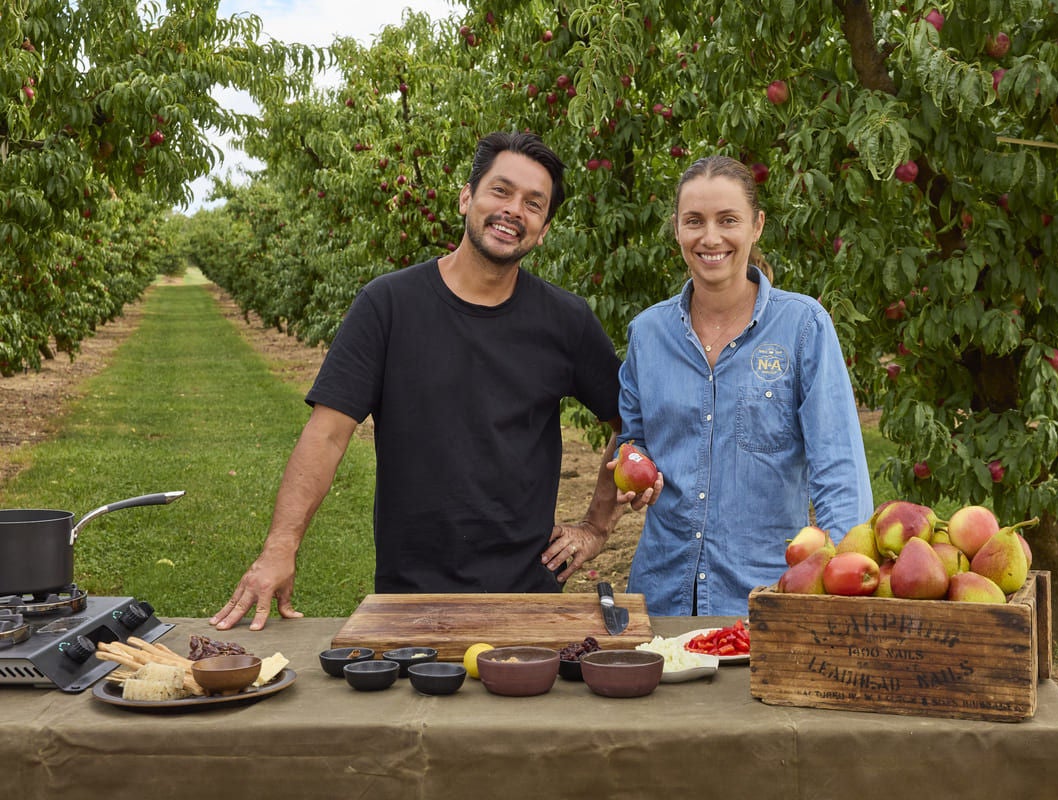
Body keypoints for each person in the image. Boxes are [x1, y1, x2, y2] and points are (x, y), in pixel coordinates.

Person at [211, 132, 651, 631]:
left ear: (544, 229)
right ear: (466, 197)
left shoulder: (565, 321)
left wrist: (595, 527)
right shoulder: (388, 306)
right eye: (500, 191)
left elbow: (630, 421)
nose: (513, 211)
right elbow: (327, 434)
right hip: (408, 597)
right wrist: (280, 548)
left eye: (534, 204)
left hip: (526, 597)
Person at [615, 155, 874, 617]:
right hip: (661, 597)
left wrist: (848, 586)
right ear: (676, 229)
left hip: (766, 598)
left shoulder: (802, 327)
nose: (710, 237)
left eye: (727, 220)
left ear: (756, 226)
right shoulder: (647, 334)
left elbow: (838, 471)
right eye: (694, 221)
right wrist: (636, 471)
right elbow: (635, 440)